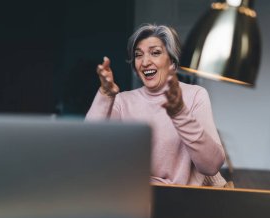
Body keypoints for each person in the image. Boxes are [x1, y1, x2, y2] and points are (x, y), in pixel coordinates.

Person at [86, 23, 227, 187]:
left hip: (180, 200)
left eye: (155, 53)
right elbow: (88, 149)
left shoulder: (195, 95)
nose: (145, 62)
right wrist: (105, 93)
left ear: (172, 62)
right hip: (133, 197)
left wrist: (179, 113)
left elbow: (211, 165)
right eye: (138, 55)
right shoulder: (122, 101)